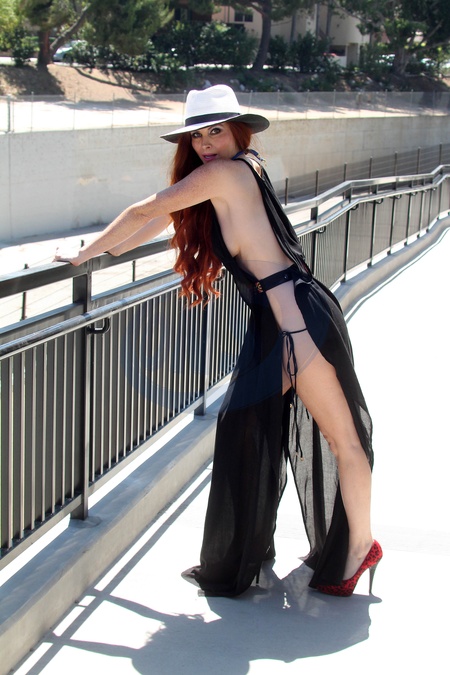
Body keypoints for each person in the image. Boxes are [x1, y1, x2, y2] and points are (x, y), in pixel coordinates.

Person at [55, 84, 382, 598]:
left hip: (298, 323)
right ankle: (249, 550)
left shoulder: (226, 172)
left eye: (216, 131)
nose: (206, 142)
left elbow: (143, 210)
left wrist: (81, 255)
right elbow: (163, 218)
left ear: (238, 132)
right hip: (279, 321)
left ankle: (360, 547)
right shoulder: (236, 171)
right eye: (197, 135)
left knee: (342, 437)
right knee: (245, 428)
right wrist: (110, 253)